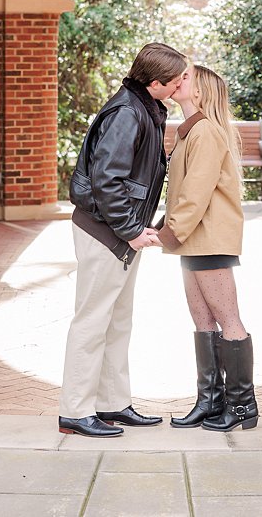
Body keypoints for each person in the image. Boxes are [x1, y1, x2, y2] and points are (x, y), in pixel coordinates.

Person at [58, 42, 189, 438]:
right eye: (177, 79)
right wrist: (131, 230)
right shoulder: (126, 114)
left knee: (117, 321)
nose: (184, 83)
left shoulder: (145, 106)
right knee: (92, 321)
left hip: (117, 232)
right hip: (106, 232)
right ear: (155, 82)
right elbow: (107, 180)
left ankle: (112, 404)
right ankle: (75, 412)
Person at [160, 63, 257, 431]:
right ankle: (211, 401)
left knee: (228, 320)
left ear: (199, 92)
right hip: (193, 241)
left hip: (209, 239)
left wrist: (167, 233)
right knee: (203, 322)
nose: (177, 80)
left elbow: (196, 194)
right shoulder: (191, 132)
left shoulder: (205, 133)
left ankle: (243, 406)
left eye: (185, 77)